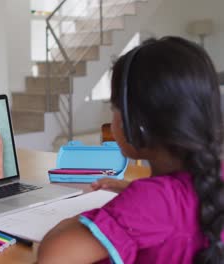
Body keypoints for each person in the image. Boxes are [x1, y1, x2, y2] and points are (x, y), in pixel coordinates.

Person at [37, 36, 224, 263]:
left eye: (114, 106)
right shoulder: (212, 179)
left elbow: (52, 258)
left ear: (138, 123)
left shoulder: (152, 202)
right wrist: (132, 193)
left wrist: (107, 214)